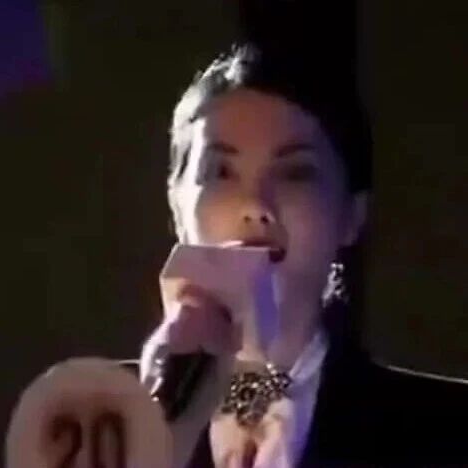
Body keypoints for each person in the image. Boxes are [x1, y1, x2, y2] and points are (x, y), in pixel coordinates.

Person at [133, 44, 468, 467]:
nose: (255, 205)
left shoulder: (450, 429)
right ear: (177, 205)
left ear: (352, 215)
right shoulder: (94, 421)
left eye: (295, 173)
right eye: (221, 171)